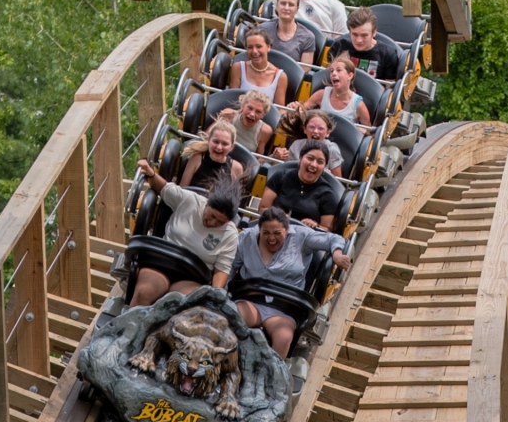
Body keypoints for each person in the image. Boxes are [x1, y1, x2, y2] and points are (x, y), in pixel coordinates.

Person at [230, 207, 350, 357]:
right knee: (230, 318)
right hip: (252, 301)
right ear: (259, 230)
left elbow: (335, 238)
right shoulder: (246, 238)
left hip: (283, 308)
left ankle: (272, 377)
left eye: (277, 233)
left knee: (283, 337)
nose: (271, 238)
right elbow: (229, 266)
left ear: (286, 230)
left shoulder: (301, 236)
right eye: (266, 233)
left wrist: (337, 254)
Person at [130, 161, 240, 305]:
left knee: (179, 304)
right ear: (207, 204)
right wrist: (150, 173)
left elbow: (222, 270)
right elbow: (163, 188)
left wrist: (214, 295)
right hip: (162, 263)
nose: (212, 223)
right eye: (211, 216)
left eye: (220, 222)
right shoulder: (190, 200)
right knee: (145, 292)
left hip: (192, 277)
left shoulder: (230, 234)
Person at [259, 140, 340, 231]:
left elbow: (327, 229)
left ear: (324, 167)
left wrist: (315, 225)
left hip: (305, 237)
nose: (313, 165)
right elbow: (263, 208)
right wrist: (276, 215)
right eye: (310, 158)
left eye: (320, 162)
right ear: (300, 159)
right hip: (272, 228)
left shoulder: (328, 193)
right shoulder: (280, 176)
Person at [292, 54, 370, 127]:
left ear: (350, 76)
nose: (333, 73)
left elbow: (368, 131)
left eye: (338, 70)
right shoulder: (321, 94)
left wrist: (362, 130)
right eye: (331, 71)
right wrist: (295, 107)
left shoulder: (358, 105)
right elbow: (303, 108)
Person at [327, 6, 401, 81]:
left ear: (374, 32)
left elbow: (389, 89)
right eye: (355, 34)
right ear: (349, 32)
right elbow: (328, 77)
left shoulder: (388, 54)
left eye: (364, 35)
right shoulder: (339, 47)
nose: (359, 40)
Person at [257, 0, 317, 65]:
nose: (286, 8)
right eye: (283, 3)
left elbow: (304, 72)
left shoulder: (308, 37)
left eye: (291, 5)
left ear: (297, 9)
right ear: (277, 6)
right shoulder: (262, 30)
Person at [272, 111, 343, 177]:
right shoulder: (296, 145)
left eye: (321, 128)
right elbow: (287, 169)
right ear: (305, 129)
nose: (315, 131)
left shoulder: (332, 149)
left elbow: (337, 180)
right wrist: (277, 157)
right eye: (312, 127)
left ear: (328, 133)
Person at [228, 27, 288, 104]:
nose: (254, 51)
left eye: (259, 46)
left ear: (268, 47)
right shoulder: (238, 68)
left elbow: (280, 109)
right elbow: (231, 100)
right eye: (250, 47)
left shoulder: (280, 76)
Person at [179, 121, 244, 189]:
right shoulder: (197, 158)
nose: (219, 147)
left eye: (225, 144)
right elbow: (183, 188)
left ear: (231, 147)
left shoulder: (236, 168)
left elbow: (235, 197)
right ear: (209, 141)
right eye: (216, 142)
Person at [217, 90, 274, 154]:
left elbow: (258, 159)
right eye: (250, 108)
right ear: (243, 106)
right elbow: (208, 137)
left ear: (263, 115)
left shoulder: (265, 131)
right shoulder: (228, 115)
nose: (252, 114)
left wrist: (273, 157)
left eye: (258, 112)